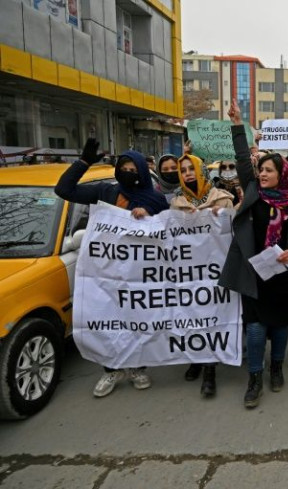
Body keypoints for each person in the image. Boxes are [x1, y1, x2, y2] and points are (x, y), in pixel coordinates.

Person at [55, 139, 169, 398]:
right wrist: (83, 163)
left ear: (140, 171)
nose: (128, 172)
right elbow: (64, 190)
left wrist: (148, 215)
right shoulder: (105, 192)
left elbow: (167, 232)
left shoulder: (156, 198)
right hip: (106, 272)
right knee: (108, 321)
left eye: (133, 169)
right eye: (123, 168)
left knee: (138, 322)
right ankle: (111, 370)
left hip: (140, 275)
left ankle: (138, 368)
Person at [218, 103, 288, 410]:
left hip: (283, 275)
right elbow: (244, 160)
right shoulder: (255, 192)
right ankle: (255, 377)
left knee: (281, 327)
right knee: (256, 328)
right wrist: (237, 124)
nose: (262, 174)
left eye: (268, 170)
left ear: (282, 174)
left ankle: (277, 367)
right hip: (254, 273)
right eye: (261, 171)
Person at [169, 153, 234, 398]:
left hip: (215, 271)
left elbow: (234, 232)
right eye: (182, 170)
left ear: (201, 172)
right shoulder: (176, 203)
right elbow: (169, 237)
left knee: (211, 319)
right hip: (188, 273)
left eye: (191, 169)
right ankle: (196, 359)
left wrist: (222, 218)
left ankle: (209, 371)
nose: (187, 174)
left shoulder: (223, 200)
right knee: (192, 317)